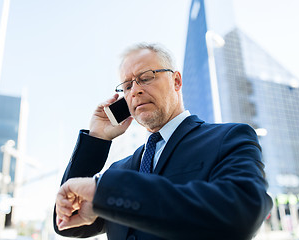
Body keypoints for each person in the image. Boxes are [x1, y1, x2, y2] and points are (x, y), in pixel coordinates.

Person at [54, 43, 273, 240]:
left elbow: (242, 212)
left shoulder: (228, 138)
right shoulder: (117, 170)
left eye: (146, 77)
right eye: (127, 86)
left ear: (176, 81)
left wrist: (106, 191)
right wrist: (97, 139)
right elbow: (67, 221)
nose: (136, 90)